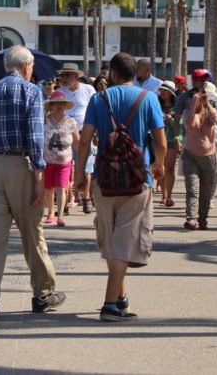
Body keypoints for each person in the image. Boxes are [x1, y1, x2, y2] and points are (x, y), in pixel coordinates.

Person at [0, 46, 64, 321]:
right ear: (27, 65)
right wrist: (39, 175)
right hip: (21, 164)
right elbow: (35, 136)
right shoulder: (31, 91)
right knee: (31, 233)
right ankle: (43, 293)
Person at [76, 52, 165, 322]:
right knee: (124, 243)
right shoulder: (148, 98)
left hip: (104, 178)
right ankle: (109, 304)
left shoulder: (98, 99)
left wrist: (81, 174)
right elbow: (160, 141)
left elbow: (84, 140)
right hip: (137, 180)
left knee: (113, 241)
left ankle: (121, 297)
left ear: (112, 74)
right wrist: (159, 164)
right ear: (134, 73)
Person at [173, 69, 217, 211]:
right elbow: (177, 120)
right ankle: (191, 213)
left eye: (206, 79)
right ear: (194, 80)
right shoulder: (184, 98)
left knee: (210, 178)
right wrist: (176, 138)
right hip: (189, 144)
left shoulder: (212, 99)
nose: (204, 82)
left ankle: (205, 205)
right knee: (191, 182)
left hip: (210, 145)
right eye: (200, 79)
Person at [56, 63, 96, 213]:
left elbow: (95, 110)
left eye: (67, 75)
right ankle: (65, 203)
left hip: (84, 132)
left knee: (85, 167)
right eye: (63, 75)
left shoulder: (88, 89)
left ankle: (86, 198)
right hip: (64, 133)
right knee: (65, 168)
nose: (64, 78)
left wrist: (96, 132)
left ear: (76, 76)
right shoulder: (60, 92)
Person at [181, 80, 217, 230]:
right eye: (193, 97)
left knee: (206, 189)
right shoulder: (188, 113)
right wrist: (193, 104)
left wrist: (207, 104)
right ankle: (191, 218)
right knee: (192, 188)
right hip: (190, 155)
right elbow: (189, 123)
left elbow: (216, 119)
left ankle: (203, 218)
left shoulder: (209, 113)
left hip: (209, 157)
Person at [43, 90, 78, 226]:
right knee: (49, 189)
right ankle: (50, 213)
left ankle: (61, 215)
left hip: (65, 162)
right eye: (55, 103)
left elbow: (77, 142)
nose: (59, 106)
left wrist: (81, 158)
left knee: (61, 188)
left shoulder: (71, 122)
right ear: (51, 105)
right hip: (47, 161)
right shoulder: (44, 120)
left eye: (61, 103)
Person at [156, 80, 181, 212]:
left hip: (172, 139)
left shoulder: (178, 107)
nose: (162, 92)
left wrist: (172, 119)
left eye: (165, 91)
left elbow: (182, 123)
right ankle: (163, 195)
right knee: (160, 166)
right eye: (161, 90)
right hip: (158, 139)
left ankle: (169, 196)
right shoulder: (156, 104)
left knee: (169, 168)